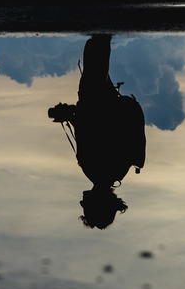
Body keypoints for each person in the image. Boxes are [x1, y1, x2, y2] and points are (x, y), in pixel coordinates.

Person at [48, 34, 146, 229]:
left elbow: (94, 131)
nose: (81, 202)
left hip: (106, 103)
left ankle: (103, 31)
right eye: (86, 207)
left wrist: (69, 115)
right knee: (95, 61)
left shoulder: (117, 172)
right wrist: (68, 115)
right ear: (94, 203)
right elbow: (91, 130)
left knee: (96, 62)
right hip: (95, 102)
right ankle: (103, 26)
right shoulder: (94, 170)